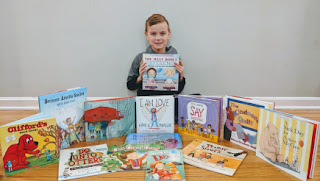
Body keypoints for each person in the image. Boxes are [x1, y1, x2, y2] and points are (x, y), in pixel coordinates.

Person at [127, 14, 186, 96]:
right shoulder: (140, 58)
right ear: (146, 35)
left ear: (168, 34)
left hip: (167, 103)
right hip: (145, 102)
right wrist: (140, 78)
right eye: (153, 34)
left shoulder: (175, 57)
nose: (158, 38)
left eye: (162, 33)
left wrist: (180, 77)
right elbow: (130, 86)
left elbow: (178, 91)